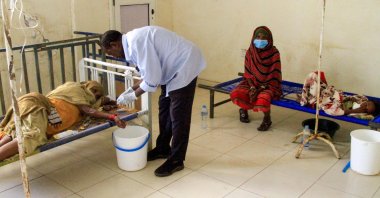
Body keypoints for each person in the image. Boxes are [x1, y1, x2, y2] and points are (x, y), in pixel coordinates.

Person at [100, 26, 206, 177]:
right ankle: (163, 148)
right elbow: (147, 74)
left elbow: (152, 81)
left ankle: (177, 159)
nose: (114, 56)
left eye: (111, 53)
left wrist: (132, 96)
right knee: (164, 109)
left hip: (185, 65)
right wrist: (130, 90)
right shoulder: (131, 44)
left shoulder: (136, 42)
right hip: (171, 70)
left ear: (114, 44)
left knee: (178, 116)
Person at [0, 81, 126, 161]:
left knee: (15, 132)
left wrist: (106, 102)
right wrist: (112, 117)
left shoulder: (80, 95)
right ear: (90, 87)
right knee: (31, 137)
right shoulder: (76, 90)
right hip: (37, 106)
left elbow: (99, 103)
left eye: (98, 97)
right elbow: (89, 110)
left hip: (33, 105)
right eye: (95, 93)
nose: (95, 97)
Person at [230, 26, 282, 131]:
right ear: (253, 38)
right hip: (252, 82)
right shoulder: (250, 52)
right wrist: (253, 86)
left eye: (264, 38)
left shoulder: (274, 53)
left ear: (269, 39)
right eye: (258, 37)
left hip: (269, 84)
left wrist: (262, 87)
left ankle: (267, 118)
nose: (260, 40)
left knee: (263, 97)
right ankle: (243, 110)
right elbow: (248, 73)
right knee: (238, 93)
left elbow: (275, 75)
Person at [300, 71, 380, 119]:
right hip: (330, 94)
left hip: (328, 102)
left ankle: (306, 97)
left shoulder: (359, 113)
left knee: (313, 87)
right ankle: (307, 94)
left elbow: (334, 111)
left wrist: (356, 110)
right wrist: (351, 99)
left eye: (366, 109)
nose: (364, 106)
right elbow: (347, 96)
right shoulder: (362, 99)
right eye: (368, 104)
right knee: (314, 76)